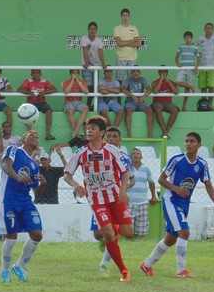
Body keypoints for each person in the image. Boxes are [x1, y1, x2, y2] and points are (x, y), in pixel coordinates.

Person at [140, 132, 214, 278]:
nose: (188, 144)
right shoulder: (177, 160)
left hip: (184, 204)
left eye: (192, 141)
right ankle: (180, 271)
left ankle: (146, 265)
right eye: (186, 141)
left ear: (199, 145)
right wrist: (176, 188)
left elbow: (209, 185)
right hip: (171, 200)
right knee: (184, 232)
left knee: (170, 239)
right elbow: (161, 179)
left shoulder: (202, 164)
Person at [64, 116, 134, 282]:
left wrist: (123, 189)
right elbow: (67, 174)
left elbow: (125, 172)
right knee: (107, 235)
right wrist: (75, 185)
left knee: (129, 233)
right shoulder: (80, 153)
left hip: (115, 197)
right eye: (88, 128)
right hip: (96, 200)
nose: (89, 131)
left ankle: (114, 228)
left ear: (102, 132)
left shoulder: (111, 150)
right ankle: (123, 271)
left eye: (93, 128)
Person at [0, 129, 46, 283]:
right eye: (31, 135)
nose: (35, 137)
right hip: (8, 199)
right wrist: (18, 177)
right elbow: (6, 165)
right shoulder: (14, 150)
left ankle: (19, 266)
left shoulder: (34, 165)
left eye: (37, 136)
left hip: (25, 201)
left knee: (37, 234)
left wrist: (43, 184)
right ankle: (4, 270)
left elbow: (36, 190)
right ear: (23, 140)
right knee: (11, 238)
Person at [95, 126, 135, 273]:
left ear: (120, 140)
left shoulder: (125, 158)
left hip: (117, 199)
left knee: (113, 233)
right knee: (98, 234)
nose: (111, 139)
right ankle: (104, 237)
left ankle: (104, 264)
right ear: (105, 138)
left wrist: (123, 189)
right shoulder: (99, 154)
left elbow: (132, 178)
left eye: (114, 137)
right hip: (99, 198)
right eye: (109, 136)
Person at [17, 69, 57, 140]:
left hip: (42, 103)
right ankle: (30, 134)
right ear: (31, 74)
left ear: (40, 74)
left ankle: (48, 134)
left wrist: (44, 92)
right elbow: (19, 89)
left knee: (49, 111)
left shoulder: (45, 81)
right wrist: (30, 93)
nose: (36, 74)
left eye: (38, 73)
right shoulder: (28, 81)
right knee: (27, 114)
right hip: (31, 103)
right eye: (34, 73)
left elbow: (55, 89)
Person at [127, 148, 158, 240]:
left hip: (142, 202)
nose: (136, 155)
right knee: (129, 224)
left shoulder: (146, 169)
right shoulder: (127, 169)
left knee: (142, 224)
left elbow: (151, 182)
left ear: (141, 156)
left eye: (138, 153)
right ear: (130, 157)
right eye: (133, 154)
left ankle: (139, 243)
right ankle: (130, 242)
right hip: (129, 202)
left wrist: (153, 196)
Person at [195, 23, 214, 110]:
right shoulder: (200, 38)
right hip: (202, 65)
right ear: (204, 29)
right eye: (207, 28)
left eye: (210, 28)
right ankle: (204, 105)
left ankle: (209, 105)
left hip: (212, 65)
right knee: (203, 86)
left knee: (211, 86)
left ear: (213, 30)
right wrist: (198, 56)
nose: (209, 29)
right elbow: (194, 47)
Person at [81, 21, 107, 110]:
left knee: (95, 87)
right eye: (91, 29)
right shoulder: (84, 38)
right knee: (89, 86)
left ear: (96, 30)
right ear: (88, 30)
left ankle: (92, 105)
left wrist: (103, 63)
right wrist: (86, 62)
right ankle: (89, 104)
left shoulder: (98, 40)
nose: (92, 30)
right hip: (86, 66)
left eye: (94, 29)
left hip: (96, 66)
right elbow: (85, 50)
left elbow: (100, 52)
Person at [122, 68, 153, 138]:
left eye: (137, 71)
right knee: (129, 111)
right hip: (130, 101)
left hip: (141, 101)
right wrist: (133, 96)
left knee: (149, 110)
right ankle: (129, 133)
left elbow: (149, 89)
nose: (136, 73)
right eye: (134, 71)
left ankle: (150, 133)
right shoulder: (128, 80)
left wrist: (143, 97)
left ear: (140, 73)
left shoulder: (142, 79)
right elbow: (123, 89)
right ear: (131, 73)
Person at [113, 8, 140, 87]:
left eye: (127, 15)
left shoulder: (134, 28)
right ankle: (118, 100)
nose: (125, 17)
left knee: (132, 81)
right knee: (119, 81)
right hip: (121, 58)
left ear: (129, 17)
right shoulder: (116, 28)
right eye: (123, 15)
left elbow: (138, 43)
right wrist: (132, 40)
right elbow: (119, 43)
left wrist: (124, 42)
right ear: (121, 16)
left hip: (132, 58)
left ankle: (131, 99)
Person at [174, 31, 201, 112]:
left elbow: (198, 58)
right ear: (184, 38)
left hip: (191, 69)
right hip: (182, 68)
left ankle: (184, 106)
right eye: (186, 37)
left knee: (187, 89)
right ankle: (191, 86)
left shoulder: (195, 48)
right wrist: (178, 64)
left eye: (189, 37)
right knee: (177, 82)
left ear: (191, 38)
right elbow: (176, 57)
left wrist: (196, 67)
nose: (187, 39)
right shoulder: (181, 46)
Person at [151, 68, 179, 138]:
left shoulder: (171, 82)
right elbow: (155, 91)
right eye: (161, 72)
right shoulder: (155, 82)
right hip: (157, 102)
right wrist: (161, 80)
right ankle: (164, 131)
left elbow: (176, 92)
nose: (163, 74)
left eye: (164, 72)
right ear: (158, 73)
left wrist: (168, 82)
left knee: (175, 110)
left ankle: (167, 131)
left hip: (168, 103)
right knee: (158, 109)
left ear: (167, 73)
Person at [62, 69, 89, 137]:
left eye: (77, 73)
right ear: (70, 74)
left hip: (79, 102)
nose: (75, 74)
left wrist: (78, 81)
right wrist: (72, 81)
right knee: (69, 110)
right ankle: (76, 133)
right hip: (69, 102)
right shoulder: (66, 82)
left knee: (85, 109)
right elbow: (66, 92)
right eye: (73, 73)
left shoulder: (82, 82)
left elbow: (86, 91)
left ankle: (76, 130)